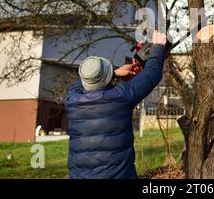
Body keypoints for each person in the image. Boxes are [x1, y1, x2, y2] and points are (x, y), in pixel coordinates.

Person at [65, 30, 167, 179]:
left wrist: (111, 74)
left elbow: (80, 82)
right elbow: (151, 74)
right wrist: (158, 47)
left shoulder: (72, 100)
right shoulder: (120, 97)